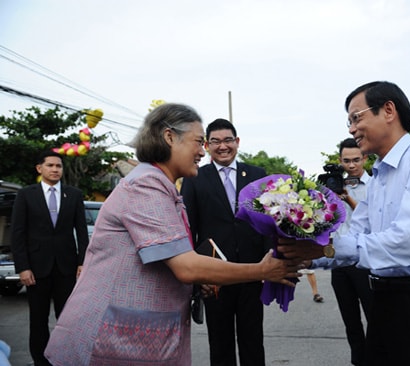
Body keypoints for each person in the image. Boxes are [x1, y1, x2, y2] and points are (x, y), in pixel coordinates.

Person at [43, 103, 301, 365]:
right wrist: (263, 271)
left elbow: (170, 256)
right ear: (169, 137)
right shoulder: (146, 185)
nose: (203, 151)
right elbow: (186, 266)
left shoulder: (161, 186)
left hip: (138, 340)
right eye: (199, 142)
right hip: (107, 341)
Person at [278, 81, 410, 365]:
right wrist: (303, 256)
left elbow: (408, 241)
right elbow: (354, 235)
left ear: (388, 110)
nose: (352, 129)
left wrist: (321, 251)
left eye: (356, 117)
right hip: (384, 300)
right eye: (349, 121)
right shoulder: (378, 178)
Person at [181, 118, 271, 366]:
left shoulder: (257, 175)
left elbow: (267, 221)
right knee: (220, 342)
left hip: (252, 271)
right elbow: (189, 227)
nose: (223, 146)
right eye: (216, 141)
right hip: (214, 275)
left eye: (228, 140)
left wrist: (268, 261)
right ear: (208, 145)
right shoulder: (195, 177)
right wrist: (199, 274)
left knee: (253, 338)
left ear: (237, 142)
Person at [11, 150, 89, 366]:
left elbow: (82, 232)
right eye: (50, 166)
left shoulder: (73, 195)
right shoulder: (26, 195)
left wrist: (83, 261)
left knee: (68, 319)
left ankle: (65, 359)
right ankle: (41, 361)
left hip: (67, 267)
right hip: (36, 268)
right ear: (40, 168)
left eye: (59, 166)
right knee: (38, 320)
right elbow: (18, 233)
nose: (55, 170)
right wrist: (23, 267)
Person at [316, 137, 372, 366]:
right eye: (346, 161)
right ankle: (358, 361)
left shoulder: (375, 184)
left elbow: (372, 219)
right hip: (339, 263)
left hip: (365, 260)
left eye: (356, 160)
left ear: (365, 159)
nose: (351, 165)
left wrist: (348, 198)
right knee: (351, 321)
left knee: (375, 317)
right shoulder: (333, 185)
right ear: (340, 161)